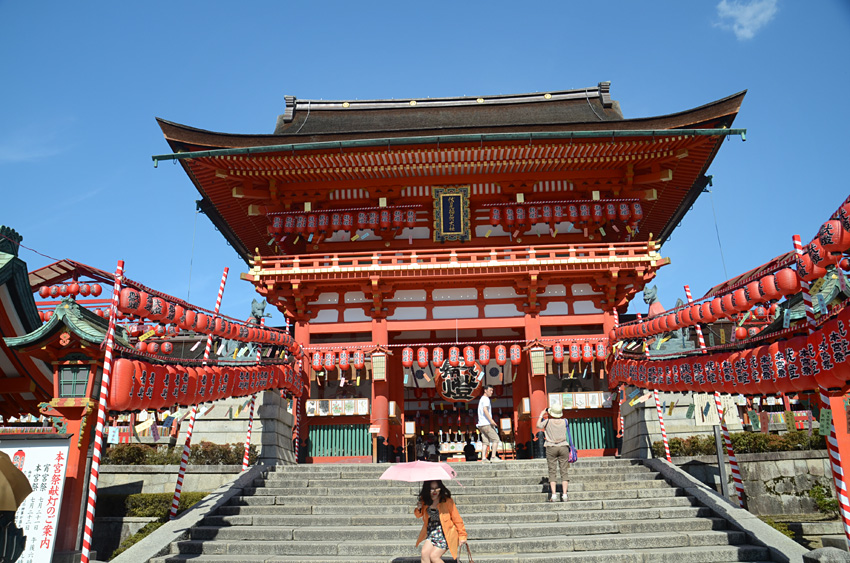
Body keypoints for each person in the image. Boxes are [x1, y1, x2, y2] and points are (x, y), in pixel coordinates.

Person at [414, 480, 467, 563]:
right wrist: (419, 508)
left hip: (445, 533)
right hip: (432, 532)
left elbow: (457, 519)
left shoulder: (447, 501)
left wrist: (462, 536)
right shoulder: (425, 500)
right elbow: (418, 515)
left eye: (437, 488)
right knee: (424, 554)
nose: (435, 491)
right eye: (432, 489)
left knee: (434, 557)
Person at [536, 405, 571, 502]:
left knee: (552, 471)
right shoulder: (565, 421)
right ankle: (564, 495)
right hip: (563, 446)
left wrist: (541, 415)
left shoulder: (547, 421)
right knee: (564, 471)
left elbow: (538, 425)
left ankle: (554, 495)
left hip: (551, 447)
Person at [476, 385, 502, 462]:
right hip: (486, 423)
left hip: (481, 424)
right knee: (496, 439)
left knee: (485, 441)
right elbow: (485, 410)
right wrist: (491, 421)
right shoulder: (486, 399)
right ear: (485, 390)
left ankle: (483, 458)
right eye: (490, 390)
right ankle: (493, 457)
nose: (491, 392)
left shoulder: (481, 399)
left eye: (492, 391)